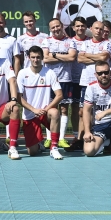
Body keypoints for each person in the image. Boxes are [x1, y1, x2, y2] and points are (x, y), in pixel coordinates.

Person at [16, 46, 64, 159]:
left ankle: (54, 148)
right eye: (33, 57)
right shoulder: (22, 73)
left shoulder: (50, 73)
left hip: (45, 112)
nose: (35, 60)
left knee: (55, 113)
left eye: (38, 57)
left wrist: (45, 110)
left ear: (42, 57)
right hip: (30, 114)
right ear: (29, 58)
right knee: (32, 152)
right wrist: (33, 110)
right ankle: (39, 144)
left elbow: (59, 95)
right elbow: (18, 97)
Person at [44, 17, 78, 149]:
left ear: (62, 26)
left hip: (65, 79)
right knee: (50, 109)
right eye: (53, 27)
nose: (56, 29)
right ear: (50, 29)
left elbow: (71, 58)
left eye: (57, 26)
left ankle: (62, 139)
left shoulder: (70, 42)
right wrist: (59, 57)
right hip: (50, 80)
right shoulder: (46, 41)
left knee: (64, 109)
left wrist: (55, 55)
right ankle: (48, 138)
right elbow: (45, 59)